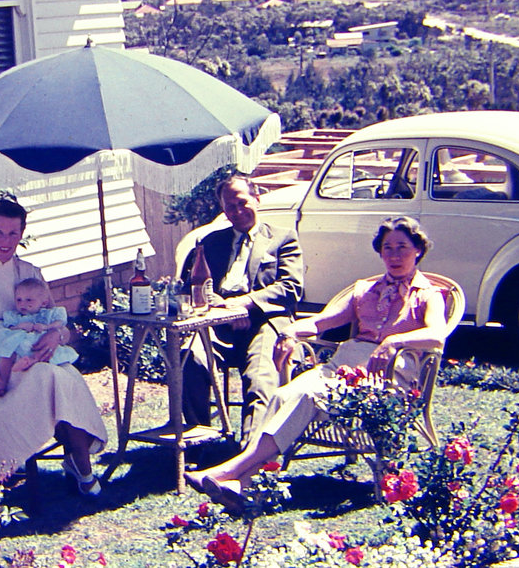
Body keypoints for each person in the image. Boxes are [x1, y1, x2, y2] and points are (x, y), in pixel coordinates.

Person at [185, 216, 448, 512]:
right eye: (388, 248)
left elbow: (437, 335)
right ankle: (244, 484)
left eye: (402, 247)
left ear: (418, 250)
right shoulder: (365, 290)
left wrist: (394, 342)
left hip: (390, 374)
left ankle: (229, 472)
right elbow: (323, 321)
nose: (395, 256)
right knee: (284, 395)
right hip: (344, 368)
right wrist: (291, 331)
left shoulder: (429, 295)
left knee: (309, 396)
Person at [0, 199, 107, 495]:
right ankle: (80, 466)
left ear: (22, 234)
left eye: (13, 233)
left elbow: (56, 322)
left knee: (67, 375)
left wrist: (57, 336)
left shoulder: (30, 272)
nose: (5, 241)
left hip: (32, 358)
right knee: (53, 377)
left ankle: (80, 462)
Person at [179, 173, 304, 439]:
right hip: (218, 324)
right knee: (189, 358)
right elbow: (192, 287)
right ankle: (199, 444)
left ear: (257, 199)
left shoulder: (283, 239)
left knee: (259, 378)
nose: (237, 211)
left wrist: (245, 305)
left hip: (266, 323)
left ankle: (250, 455)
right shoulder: (211, 243)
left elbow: (291, 287)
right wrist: (225, 309)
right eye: (229, 207)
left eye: (241, 202)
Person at [0, 277, 78, 397]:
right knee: (7, 353)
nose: (23, 304)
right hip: (20, 344)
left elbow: (60, 323)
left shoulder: (47, 314)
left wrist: (46, 327)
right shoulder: (15, 316)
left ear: (43, 303)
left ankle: (32, 360)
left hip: (37, 343)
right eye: (19, 300)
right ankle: (3, 382)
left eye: (29, 300)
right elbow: (9, 328)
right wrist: (21, 326)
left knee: (44, 351)